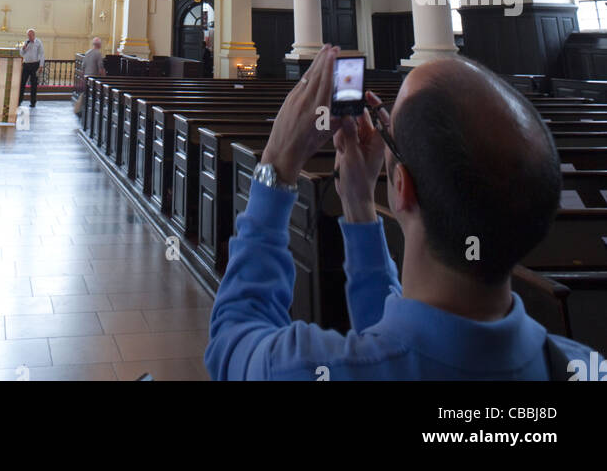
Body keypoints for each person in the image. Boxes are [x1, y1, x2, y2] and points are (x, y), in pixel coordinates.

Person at [206, 47, 603, 382]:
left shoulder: (305, 368)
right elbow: (401, 343)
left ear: (401, 187)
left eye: (388, 129)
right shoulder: (587, 367)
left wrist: (276, 162)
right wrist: (359, 206)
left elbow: (232, 338)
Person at [18, 28, 44, 108]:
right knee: (22, 83)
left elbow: (42, 54)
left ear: (34, 35)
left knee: (34, 84)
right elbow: (21, 54)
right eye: (28, 35)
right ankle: (19, 101)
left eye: (31, 35)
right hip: (26, 65)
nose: (29, 37)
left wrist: (41, 65)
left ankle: (33, 102)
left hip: (35, 65)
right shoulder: (25, 42)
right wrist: (23, 48)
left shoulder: (38, 42)